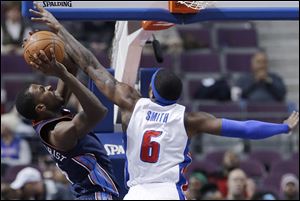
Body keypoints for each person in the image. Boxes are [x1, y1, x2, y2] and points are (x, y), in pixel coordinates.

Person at [30, 4, 299, 200]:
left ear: (149, 91)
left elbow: (90, 64)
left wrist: (58, 27)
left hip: (136, 193)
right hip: (168, 192)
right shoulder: (189, 119)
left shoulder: (131, 103)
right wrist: (283, 127)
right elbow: (243, 128)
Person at [15, 48, 119, 199]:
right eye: (43, 90)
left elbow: (71, 67)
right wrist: (62, 74)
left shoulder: (49, 112)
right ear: (41, 107)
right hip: (95, 193)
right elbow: (98, 112)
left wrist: (49, 46)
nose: (50, 87)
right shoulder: (58, 133)